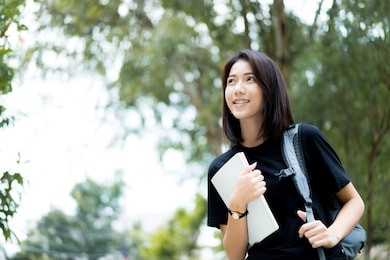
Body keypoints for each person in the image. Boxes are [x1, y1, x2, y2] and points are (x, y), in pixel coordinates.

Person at [207, 49, 365, 260]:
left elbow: (354, 201)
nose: (238, 89)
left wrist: (332, 234)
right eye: (231, 81)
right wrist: (238, 202)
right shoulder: (222, 168)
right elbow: (235, 255)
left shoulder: (305, 139)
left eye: (250, 79)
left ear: (269, 87)